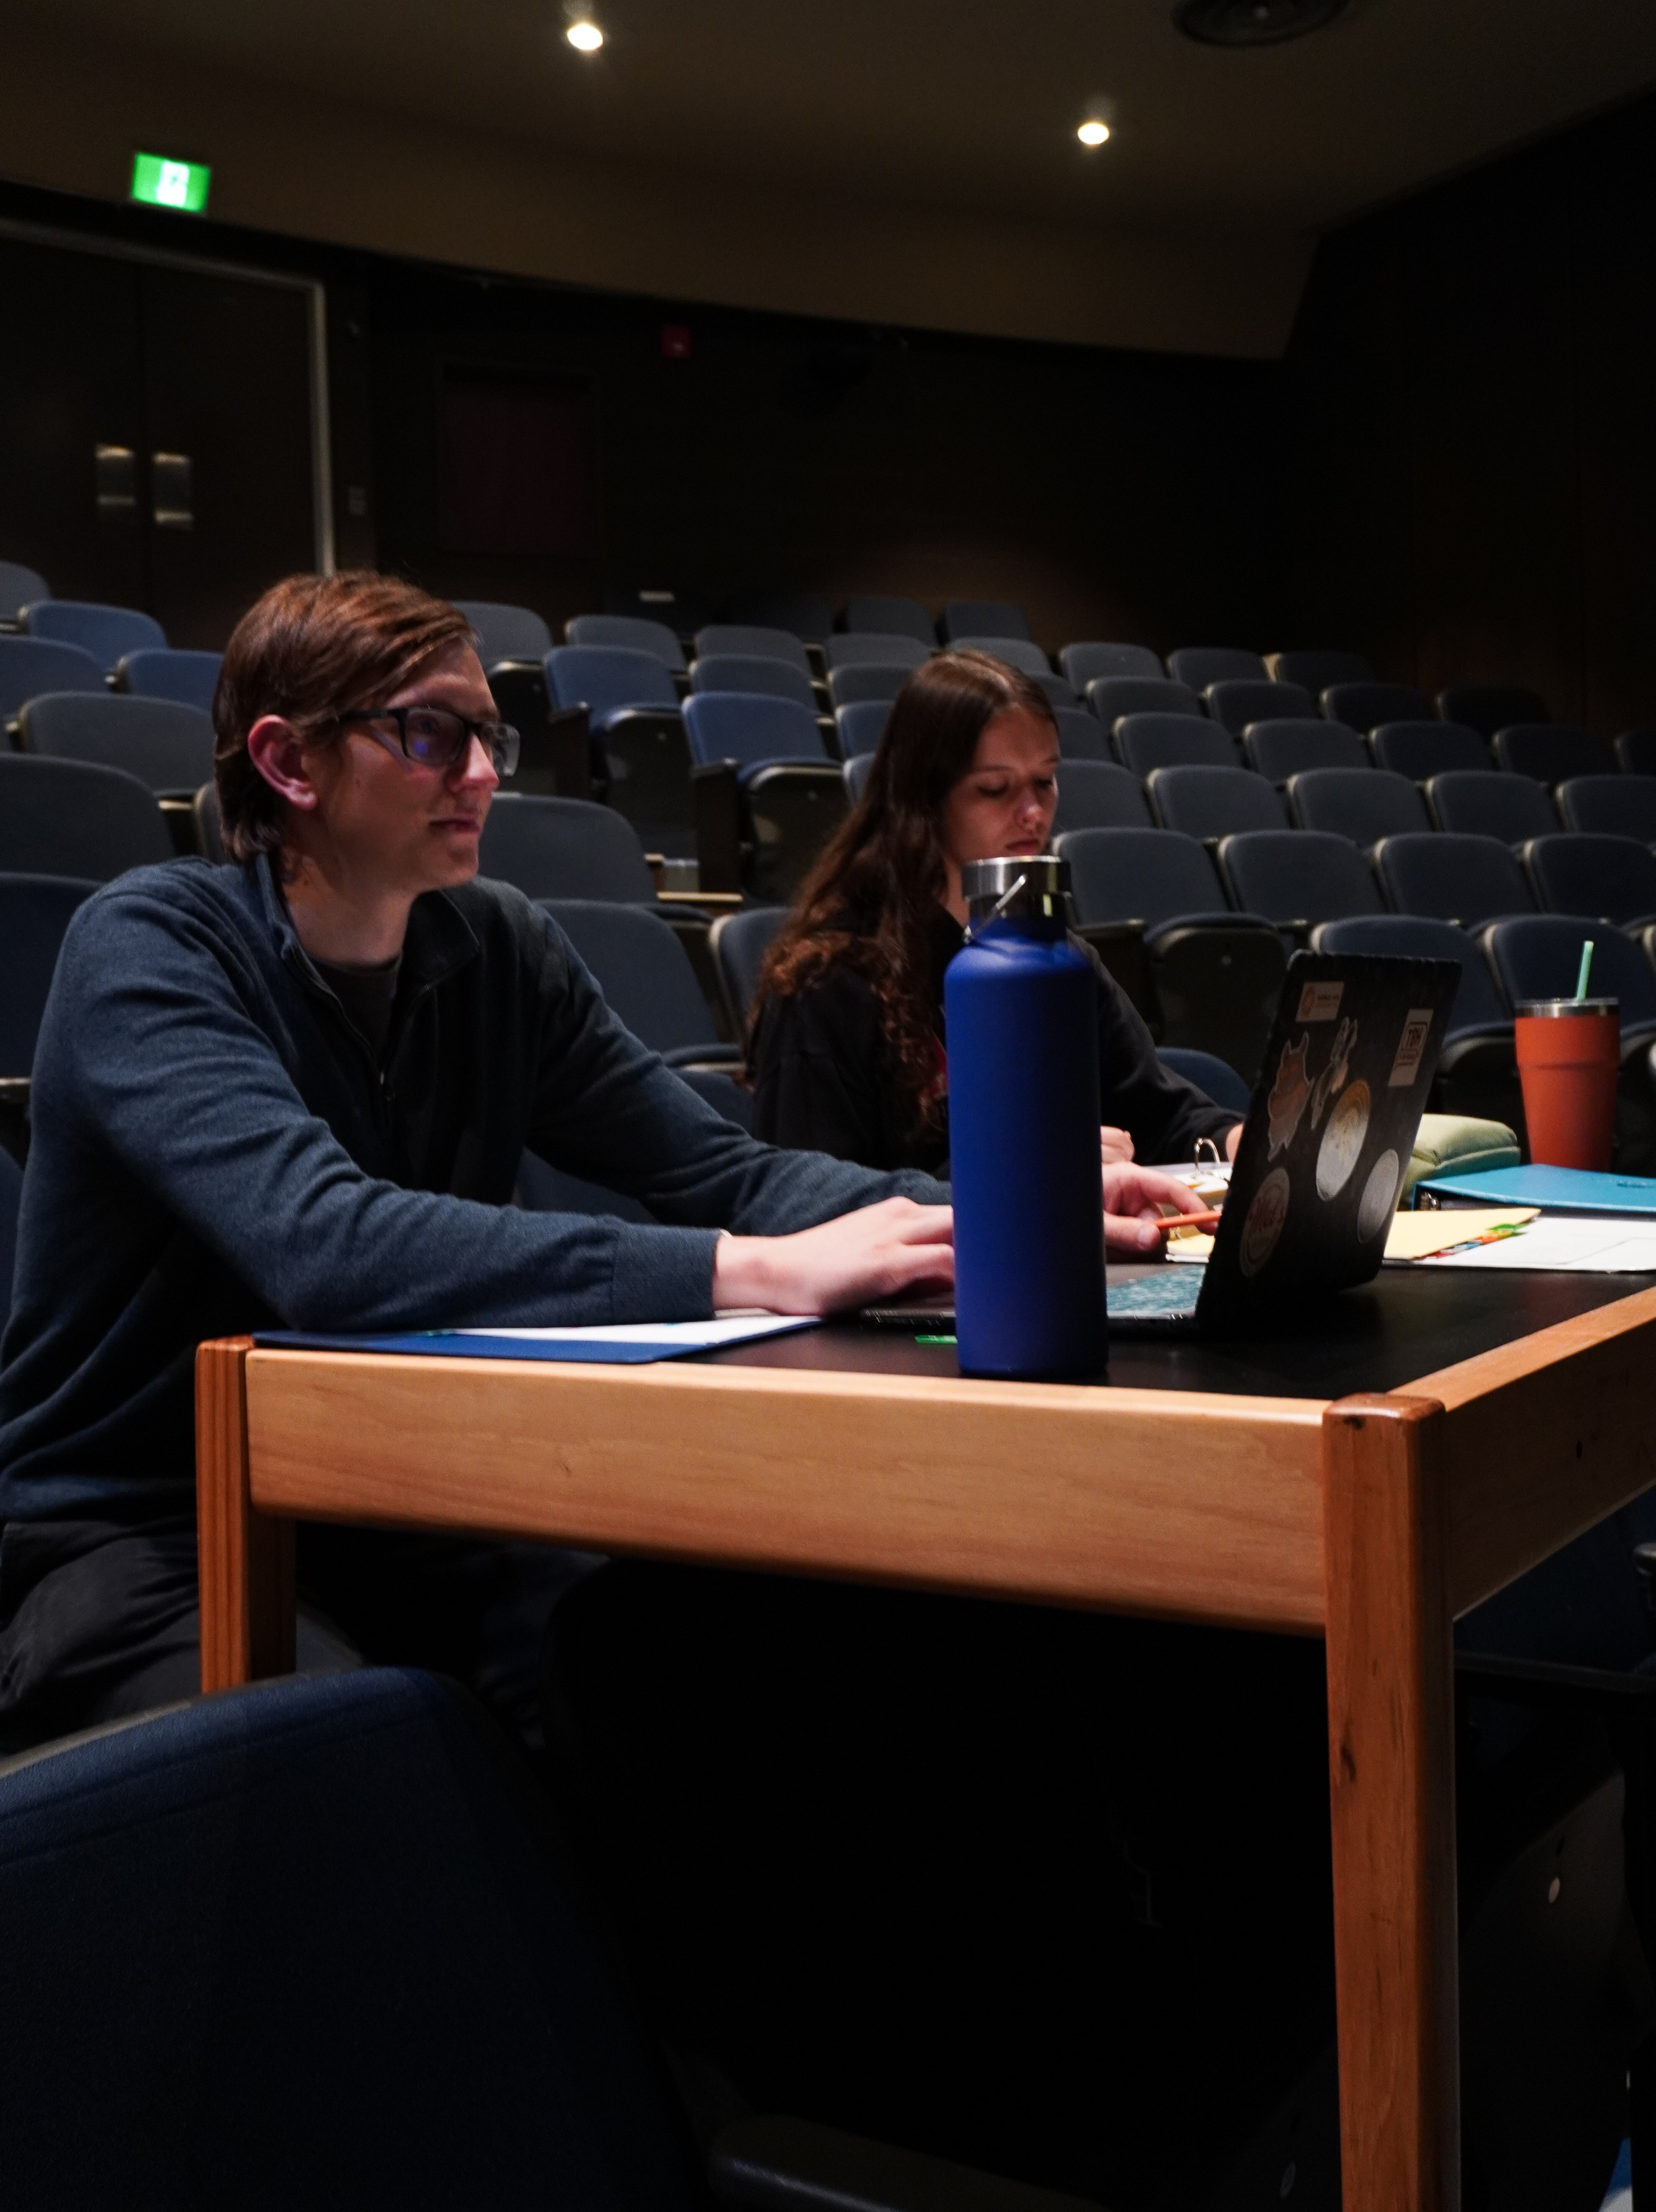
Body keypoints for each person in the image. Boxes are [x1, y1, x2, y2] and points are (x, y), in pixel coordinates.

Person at [0, 575, 1197, 1749]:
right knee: (364, 1765)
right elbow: (329, 1245)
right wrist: (747, 1268)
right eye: (429, 735)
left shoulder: (498, 946)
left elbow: (728, 1173)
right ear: (288, 762)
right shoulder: (149, 947)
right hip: (136, 1531)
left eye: (488, 737)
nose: (481, 774)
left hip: (398, 1500)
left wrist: (1011, 1206)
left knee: (715, 1665)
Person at [750, 649, 1243, 1174]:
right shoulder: (826, 985)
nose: (1033, 813)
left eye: (1045, 781)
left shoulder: (1057, 959)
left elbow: (1163, 1119)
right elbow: (814, 1198)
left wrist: (1253, 1144)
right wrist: (1028, 1167)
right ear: (924, 798)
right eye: (995, 788)